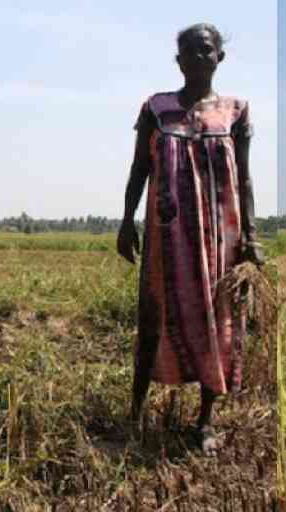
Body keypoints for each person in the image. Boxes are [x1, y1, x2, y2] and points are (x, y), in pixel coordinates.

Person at [116, 23, 265, 455]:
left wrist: (251, 237)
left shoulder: (236, 111)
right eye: (190, 52)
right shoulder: (156, 109)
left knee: (220, 324)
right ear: (178, 60)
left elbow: (246, 179)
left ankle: (204, 422)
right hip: (168, 239)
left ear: (220, 57)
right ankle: (135, 415)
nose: (199, 58)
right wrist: (127, 221)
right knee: (152, 319)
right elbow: (139, 169)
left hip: (222, 238)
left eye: (207, 51)